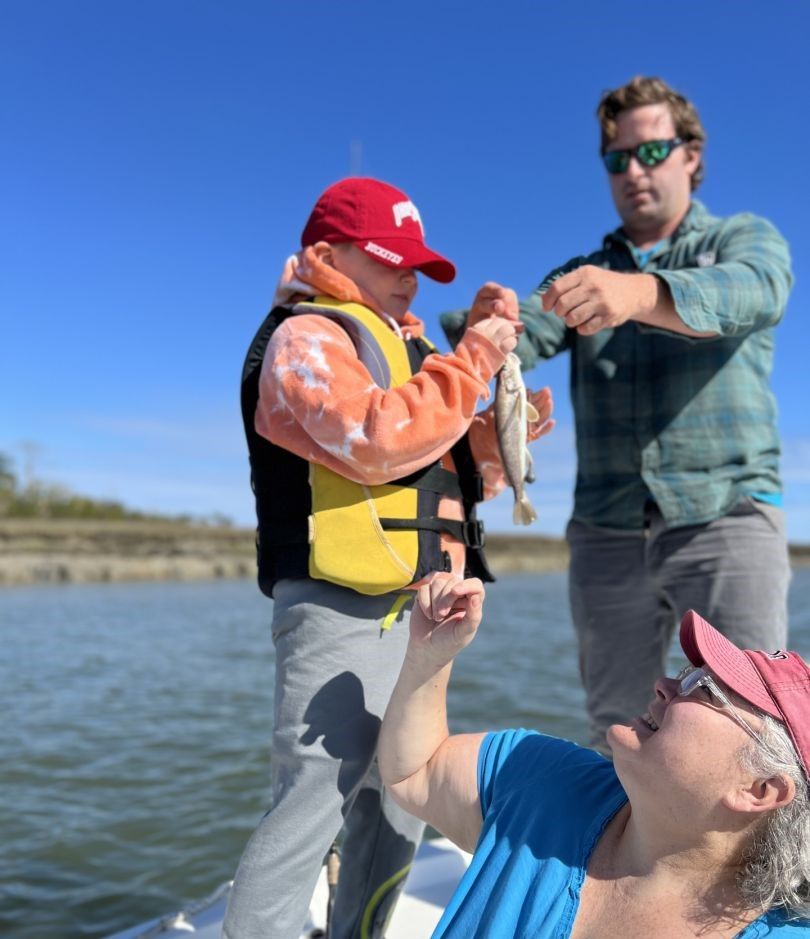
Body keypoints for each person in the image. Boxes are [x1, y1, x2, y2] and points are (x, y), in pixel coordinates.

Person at [225, 177, 553, 939]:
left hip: (422, 609)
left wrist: (495, 435)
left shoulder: (410, 349)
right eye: (391, 259)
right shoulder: (304, 338)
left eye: (417, 265)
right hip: (340, 605)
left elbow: (432, 459)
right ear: (325, 253)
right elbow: (376, 440)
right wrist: (472, 357)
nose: (409, 277)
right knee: (315, 797)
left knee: (404, 794)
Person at [441, 75, 795, 753]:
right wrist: (488, 320)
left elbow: (755, 293)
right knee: (618, 731)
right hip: (605, 528)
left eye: (652, 152)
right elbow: (527, 333)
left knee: (752, 730)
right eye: (617, 159)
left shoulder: (746, 238)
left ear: (691, 154)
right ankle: (629, 858)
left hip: (727, 512)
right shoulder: (582, 272)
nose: (634, 171)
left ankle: (764, 863)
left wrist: (639, 293)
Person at [378, 571, 810, 937]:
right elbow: (415, 771)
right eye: (687, 671)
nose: (665, 683)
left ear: (760, 789)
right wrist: (429, 656)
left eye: (706, 689)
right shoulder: (542, 778)